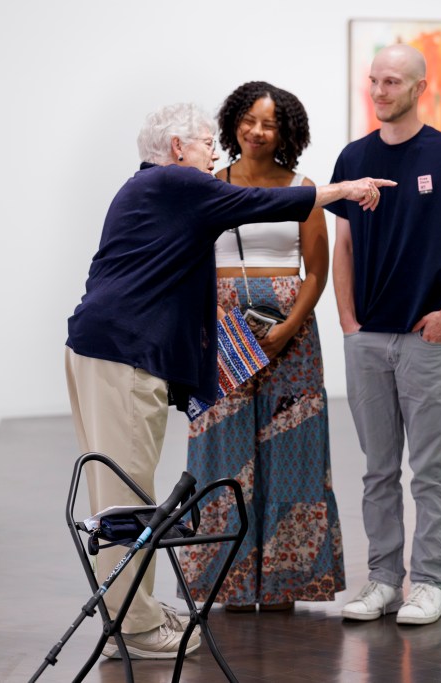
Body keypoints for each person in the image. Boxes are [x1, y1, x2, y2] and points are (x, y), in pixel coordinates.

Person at [65, 102, 392, 659]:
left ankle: (128, 613)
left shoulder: (145, 190)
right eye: (204, 145)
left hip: (105, 349)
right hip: (121, 356)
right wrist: (343, 190)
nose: (213, 154)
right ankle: (136, 630)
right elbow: (258, 201)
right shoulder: (174, 182)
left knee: (120, 492)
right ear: (175, 149)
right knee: (124, 500)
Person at [326, 44, 441, 626]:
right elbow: (342, 247)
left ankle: (426, 583)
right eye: (373, 80)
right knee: (377, 469)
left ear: (420, 87)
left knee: (429, 470)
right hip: (367, 340)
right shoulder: (353, 156)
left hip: (427, 341)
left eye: (391, 82)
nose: (378, 91)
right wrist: (348, 323)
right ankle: (381, 580)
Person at [178, 82, 344, 612]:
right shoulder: (206, 184)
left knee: (292, 453)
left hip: (289, 335)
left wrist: (290, 324)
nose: (257, 131)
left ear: (286, 132)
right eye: (249, 119)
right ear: (233, 123)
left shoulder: (303, 187)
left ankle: (284, 584)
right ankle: (223, 580)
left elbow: (315, 271)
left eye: (269, 123)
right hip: (220, 331)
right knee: (218, 454)